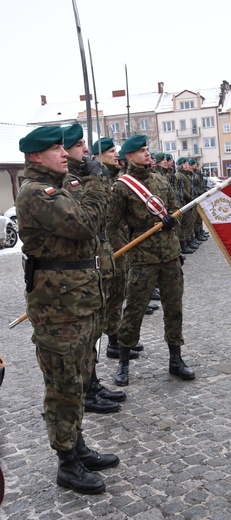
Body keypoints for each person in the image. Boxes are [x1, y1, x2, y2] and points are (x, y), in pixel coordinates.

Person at [16, 126, 119, 495]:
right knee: (62, 385)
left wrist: (90, 185)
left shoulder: (66, 186)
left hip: (80, 301)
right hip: (57, 310)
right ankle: (66, 463)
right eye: (55, 148)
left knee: (77, 380)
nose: (64, 153)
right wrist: (96, 183)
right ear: (35, 157)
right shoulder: (36, 194)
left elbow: (100, 219)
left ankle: (77, 446)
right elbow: (85, 224)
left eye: (64, 146)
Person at [108, 134, 195, 386]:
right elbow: (112, 225)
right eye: (141, 151)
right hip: (141, 258)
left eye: (147, 150)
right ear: (129, 157)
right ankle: (123, 362)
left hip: (169, 254)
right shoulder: (122, 187)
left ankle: (175, 359)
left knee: (174, 307)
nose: (147, 154)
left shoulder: (160, 180)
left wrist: (171, 220)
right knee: (134, 309)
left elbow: (177, 210)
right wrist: (122, 252)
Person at [61, 124, 126, 414]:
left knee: (94, 328)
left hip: (95, 260)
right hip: (78, 270)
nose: (86, 151)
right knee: (87, 332)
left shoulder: (81, 177)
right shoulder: (65, 182)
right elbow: (91, 220)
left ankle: (93, 383)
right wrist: (97, 180)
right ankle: (88, 389)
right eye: (79, 146)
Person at [91, 137, 147, 357]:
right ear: (98, 156)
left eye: (116, 151)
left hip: (119, 243)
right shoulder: (97, 179)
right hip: (107, 248)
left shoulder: (113, 178)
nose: (117, 154)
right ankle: (112, 342)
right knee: (110, 294)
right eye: (111, 151)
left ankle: (116, 338)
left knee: (119, 292)